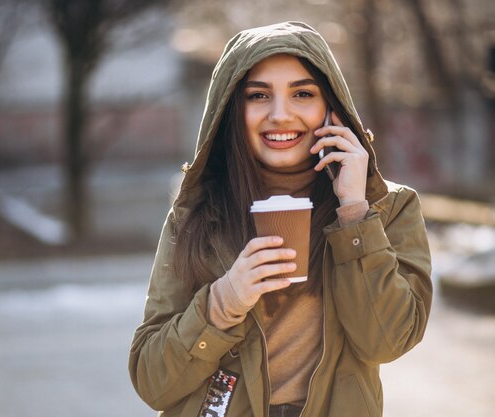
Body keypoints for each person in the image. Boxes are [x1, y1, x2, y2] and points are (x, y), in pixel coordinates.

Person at [129, 21, 432, 417]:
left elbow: (386, 342)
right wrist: (221, 304)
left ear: (332, 108)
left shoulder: (388, 209)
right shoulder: (198, 214)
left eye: (302, 93)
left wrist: (354, 213)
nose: (280, 114)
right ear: (232, 109)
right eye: (258, 95)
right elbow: (152, 382)